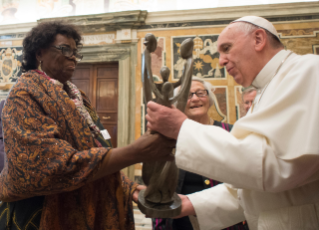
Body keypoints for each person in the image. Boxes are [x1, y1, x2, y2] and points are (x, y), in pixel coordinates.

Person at [146, 16, 319, 230]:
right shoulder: (266, 89)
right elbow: (252, 186)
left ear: (258, 39)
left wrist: (181, 128)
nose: (220, 61)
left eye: (227, 48)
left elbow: (276, 168)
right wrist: (191, 203)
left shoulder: (308, 71)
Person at [0, 21, 175, 230]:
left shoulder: (77, 96)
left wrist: (129, 187)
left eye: (76, 52)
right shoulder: (24, 94)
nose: (73, 56)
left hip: (87, 207)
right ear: (39, 52)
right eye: (65, 49)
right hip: (42, 215)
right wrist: (133, 153)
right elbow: (44, 167)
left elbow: (95, 148)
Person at [153, 77, 248, 230]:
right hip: (180, 222)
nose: (195, 98)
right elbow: (159, 186)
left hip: (225, 221)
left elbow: (245, 181)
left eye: (200, 93)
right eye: (188, 95)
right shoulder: (168, 140)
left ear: (209, 98)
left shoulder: (231, 133)